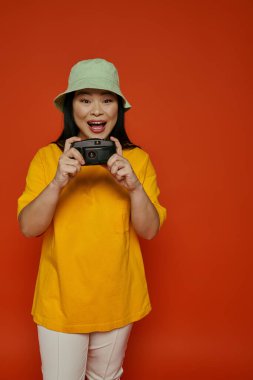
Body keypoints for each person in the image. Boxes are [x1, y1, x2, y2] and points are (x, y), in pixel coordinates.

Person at [17, 58, 166, 380]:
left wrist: (134, 187)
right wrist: (57, 182)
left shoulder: (137, 160)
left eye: (107, 100)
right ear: (71, 108)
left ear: (118, 109)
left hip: (118, 298)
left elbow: (150, 230)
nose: (96, 110)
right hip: (61, 301)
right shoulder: (47, 159)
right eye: (85, 100)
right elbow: (29, 228)